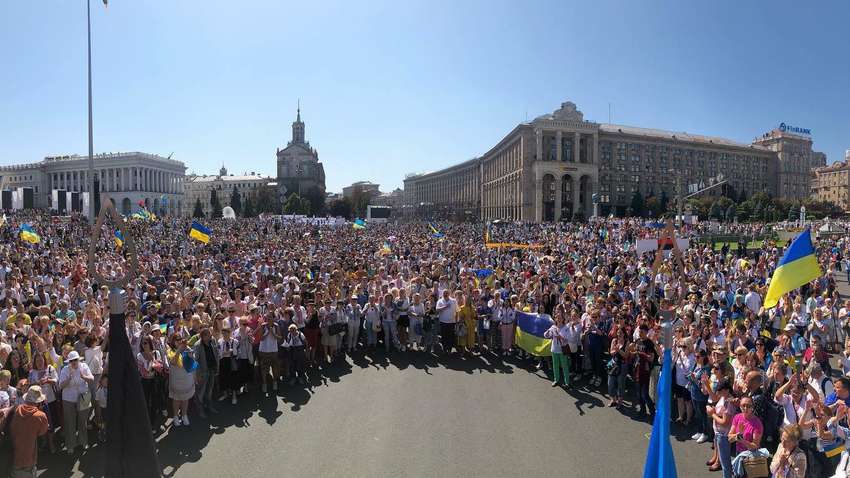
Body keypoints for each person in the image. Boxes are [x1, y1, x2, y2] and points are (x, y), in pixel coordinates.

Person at [57, 350, 93, 454]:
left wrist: (84, 377)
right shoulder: (65, 370)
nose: (74, 362)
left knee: (82, 422)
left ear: (78, 360)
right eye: (71, 360)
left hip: (82, 398)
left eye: (75, 360)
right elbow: (60, 386)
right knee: (70, 423)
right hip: (68, 399)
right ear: (69, 361)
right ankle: (70, 445)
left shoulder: (84, 366)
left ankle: (83, 441)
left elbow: (91, 379)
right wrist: (69, 378)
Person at [8, 385, 48, 478]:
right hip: (29, 457)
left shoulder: (17, 409)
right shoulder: (40, 415)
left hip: (15, 454)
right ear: (39, 401)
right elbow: (42, 432)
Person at [167, 334, 195, 427]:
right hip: (176, 379)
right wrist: (179, 349)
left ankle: (184, 415)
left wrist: (186, 346)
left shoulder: (186, 349)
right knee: (177, 399)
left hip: (187, 378)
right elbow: (174, 361)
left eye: (180, 339)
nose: (179, 341)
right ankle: (175, 416)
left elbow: (193, 360)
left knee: (185, 398)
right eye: (177, 340)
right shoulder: (170, 351)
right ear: (173, 341)